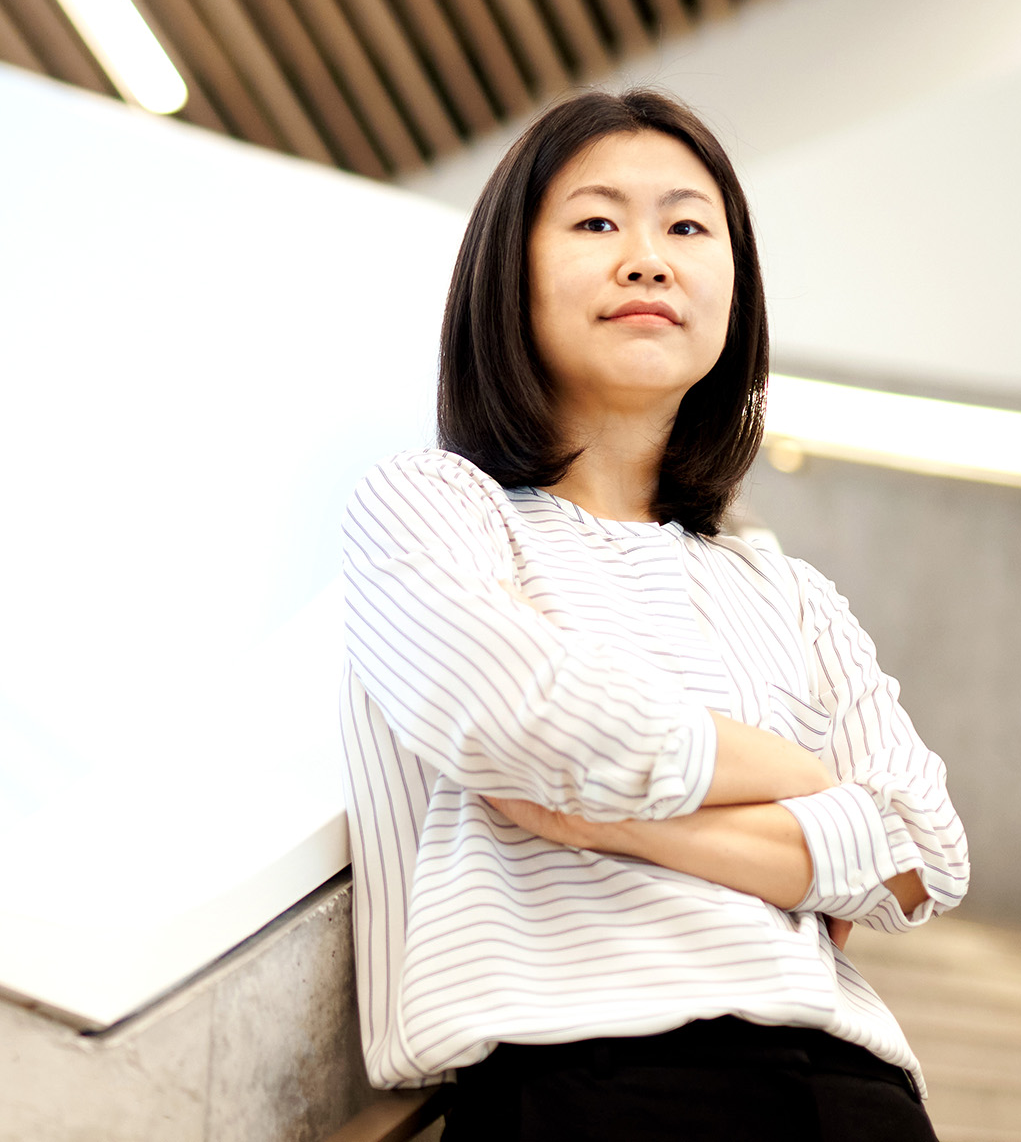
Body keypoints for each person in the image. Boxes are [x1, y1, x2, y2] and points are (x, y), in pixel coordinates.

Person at [339, 88, 969, 1140]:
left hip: (858, 1095)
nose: (647, 258)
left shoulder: (786, 588)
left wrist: (599, 816)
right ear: (510, 276)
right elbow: (515, 716)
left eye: (687, 224)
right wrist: (806, 782)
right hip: (590, 1086)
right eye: (596, 221)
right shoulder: (433, 505)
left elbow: (925, 852)